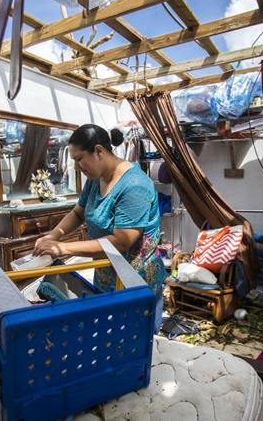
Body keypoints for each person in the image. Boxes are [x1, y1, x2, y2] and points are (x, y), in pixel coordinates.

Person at [32, 124, 167, 332]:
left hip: (136, 284)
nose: (76, 167)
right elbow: (78, 212)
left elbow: (121, 241)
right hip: (108, 279)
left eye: (78, 159)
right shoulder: (95, 179)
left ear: (98, 151)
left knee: (135, 343)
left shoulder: (134, 186)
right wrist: (54, 235)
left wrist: (63, 249)